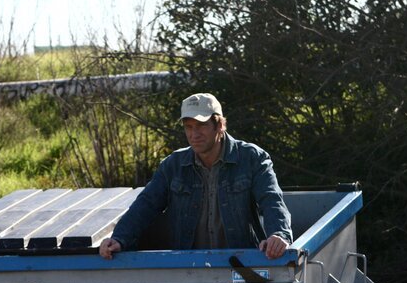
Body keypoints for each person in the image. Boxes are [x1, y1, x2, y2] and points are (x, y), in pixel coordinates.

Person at [99, 93, 292, 259]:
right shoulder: (173, 165)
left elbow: (271, 200)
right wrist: (119, 239)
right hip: (187, 268)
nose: (194, 134)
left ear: (219, 125)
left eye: (201, 125)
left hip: (244, 267)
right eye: (188, 127)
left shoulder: (252, 158)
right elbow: (146, 204)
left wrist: (278, 235)